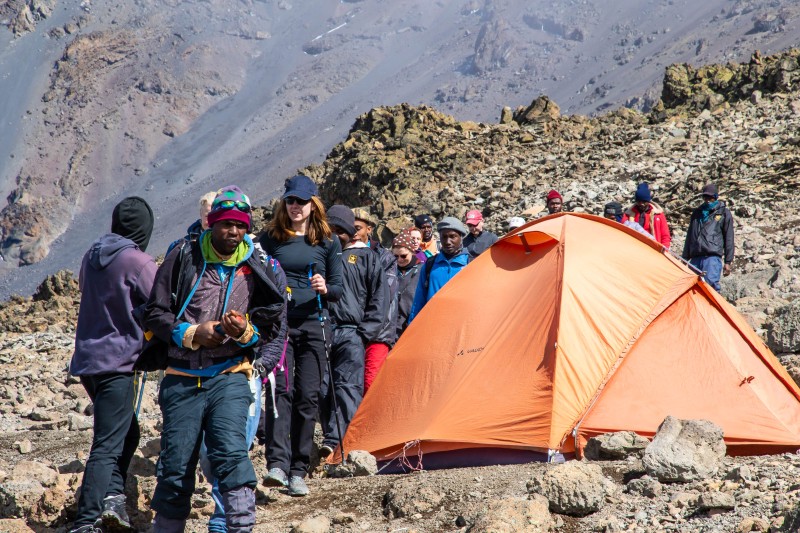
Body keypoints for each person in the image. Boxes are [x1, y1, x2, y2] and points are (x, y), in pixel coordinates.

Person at [144, 186, 286, 532]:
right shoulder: (184, 256)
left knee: (231, 454)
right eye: (225, 225)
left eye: (240, 225)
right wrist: (192, 334)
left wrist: (243, 333)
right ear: (211, 223)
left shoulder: (260, 266)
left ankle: (238, 526)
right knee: (176, 465)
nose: (233, 232)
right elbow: (154, 313)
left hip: (230, 376)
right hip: (181, 376)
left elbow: (273, 327)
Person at [68, 197, 157, 533]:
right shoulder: (137, 261)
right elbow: (161, 301)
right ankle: (86, 519)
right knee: (107, 444)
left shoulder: (91, 256)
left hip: (88, 361)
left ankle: (113, 496)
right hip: (118, 363)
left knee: (127, 432)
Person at [258, 175, 343, 497]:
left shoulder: (328, 241)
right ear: (285, 202)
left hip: (314, 324)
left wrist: (325, 288)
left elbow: (338, 287)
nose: (296, 206)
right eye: (291, 200)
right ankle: (277, 465)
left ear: (313, 205)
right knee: (281, 394)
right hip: (280, 326)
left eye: (302, 201)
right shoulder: (270, 238)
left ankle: (298, 469)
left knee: (308, 397)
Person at [320, 205, 387, 456]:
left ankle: (336, 441)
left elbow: (380, 298)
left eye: (341, 230)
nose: (336, 235)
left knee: (347, 386)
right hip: (323, 330)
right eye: (331, 229)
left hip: (351, 331)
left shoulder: (367, 257)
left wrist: (364, 332)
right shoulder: (321, 255)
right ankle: (330, 434)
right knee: (322, 387)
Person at [352, 208, 397, 393]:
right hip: (350, 330)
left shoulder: (385, 257)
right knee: (350, 383)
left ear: (369, 229)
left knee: (371, 383)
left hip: (379, 331)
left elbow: (385, 292)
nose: (353, 233)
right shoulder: (340, 254)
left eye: (357, 228)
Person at [408, 217, 471, 323]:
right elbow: (419, 298)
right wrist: (412, 324)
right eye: (444, 237)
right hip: (433, 322)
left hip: (460, 323)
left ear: (461, 237)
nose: (447, 241)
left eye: (452, 237)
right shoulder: (430, 264)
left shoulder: (471, 264)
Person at [682, 183, 735, 291]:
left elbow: (729, 237)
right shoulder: (697, 213)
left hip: (712, 257)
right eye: (705, 197)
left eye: (710, 197)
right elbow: (690, 236)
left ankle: (714, 308)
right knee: (693, 288)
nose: (707, 200)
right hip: (695, 257)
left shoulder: (724, 213)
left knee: (710, 287)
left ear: (715, 197)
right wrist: (685, 258)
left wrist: (728, 261)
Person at [622, 182, 671, 248]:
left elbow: (665, 235)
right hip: (633, 247)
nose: (641, 204)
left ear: (648, 201)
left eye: (644, 201)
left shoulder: (658, 214)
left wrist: (664, 249)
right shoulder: (629, 214)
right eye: (639, 201)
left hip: (653, 248)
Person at [391, 231, 422, 337]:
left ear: (412, 252)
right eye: (395, 256)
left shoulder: (422, 270)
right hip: (391, 327)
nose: (399, 260)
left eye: (403, 256)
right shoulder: (388, 270)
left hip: (413, 325)